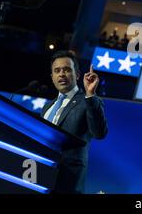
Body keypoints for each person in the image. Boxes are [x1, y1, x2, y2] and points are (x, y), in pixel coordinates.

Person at [41, 50, 107, 193]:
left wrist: (90, 94)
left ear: (77, 75)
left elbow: (99, 132)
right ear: (52, 77)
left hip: (68, 181)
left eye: (66, 70)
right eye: (57, 71)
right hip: (40, 175)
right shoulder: (47, 107)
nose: (61, 74)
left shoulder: (88, 101)